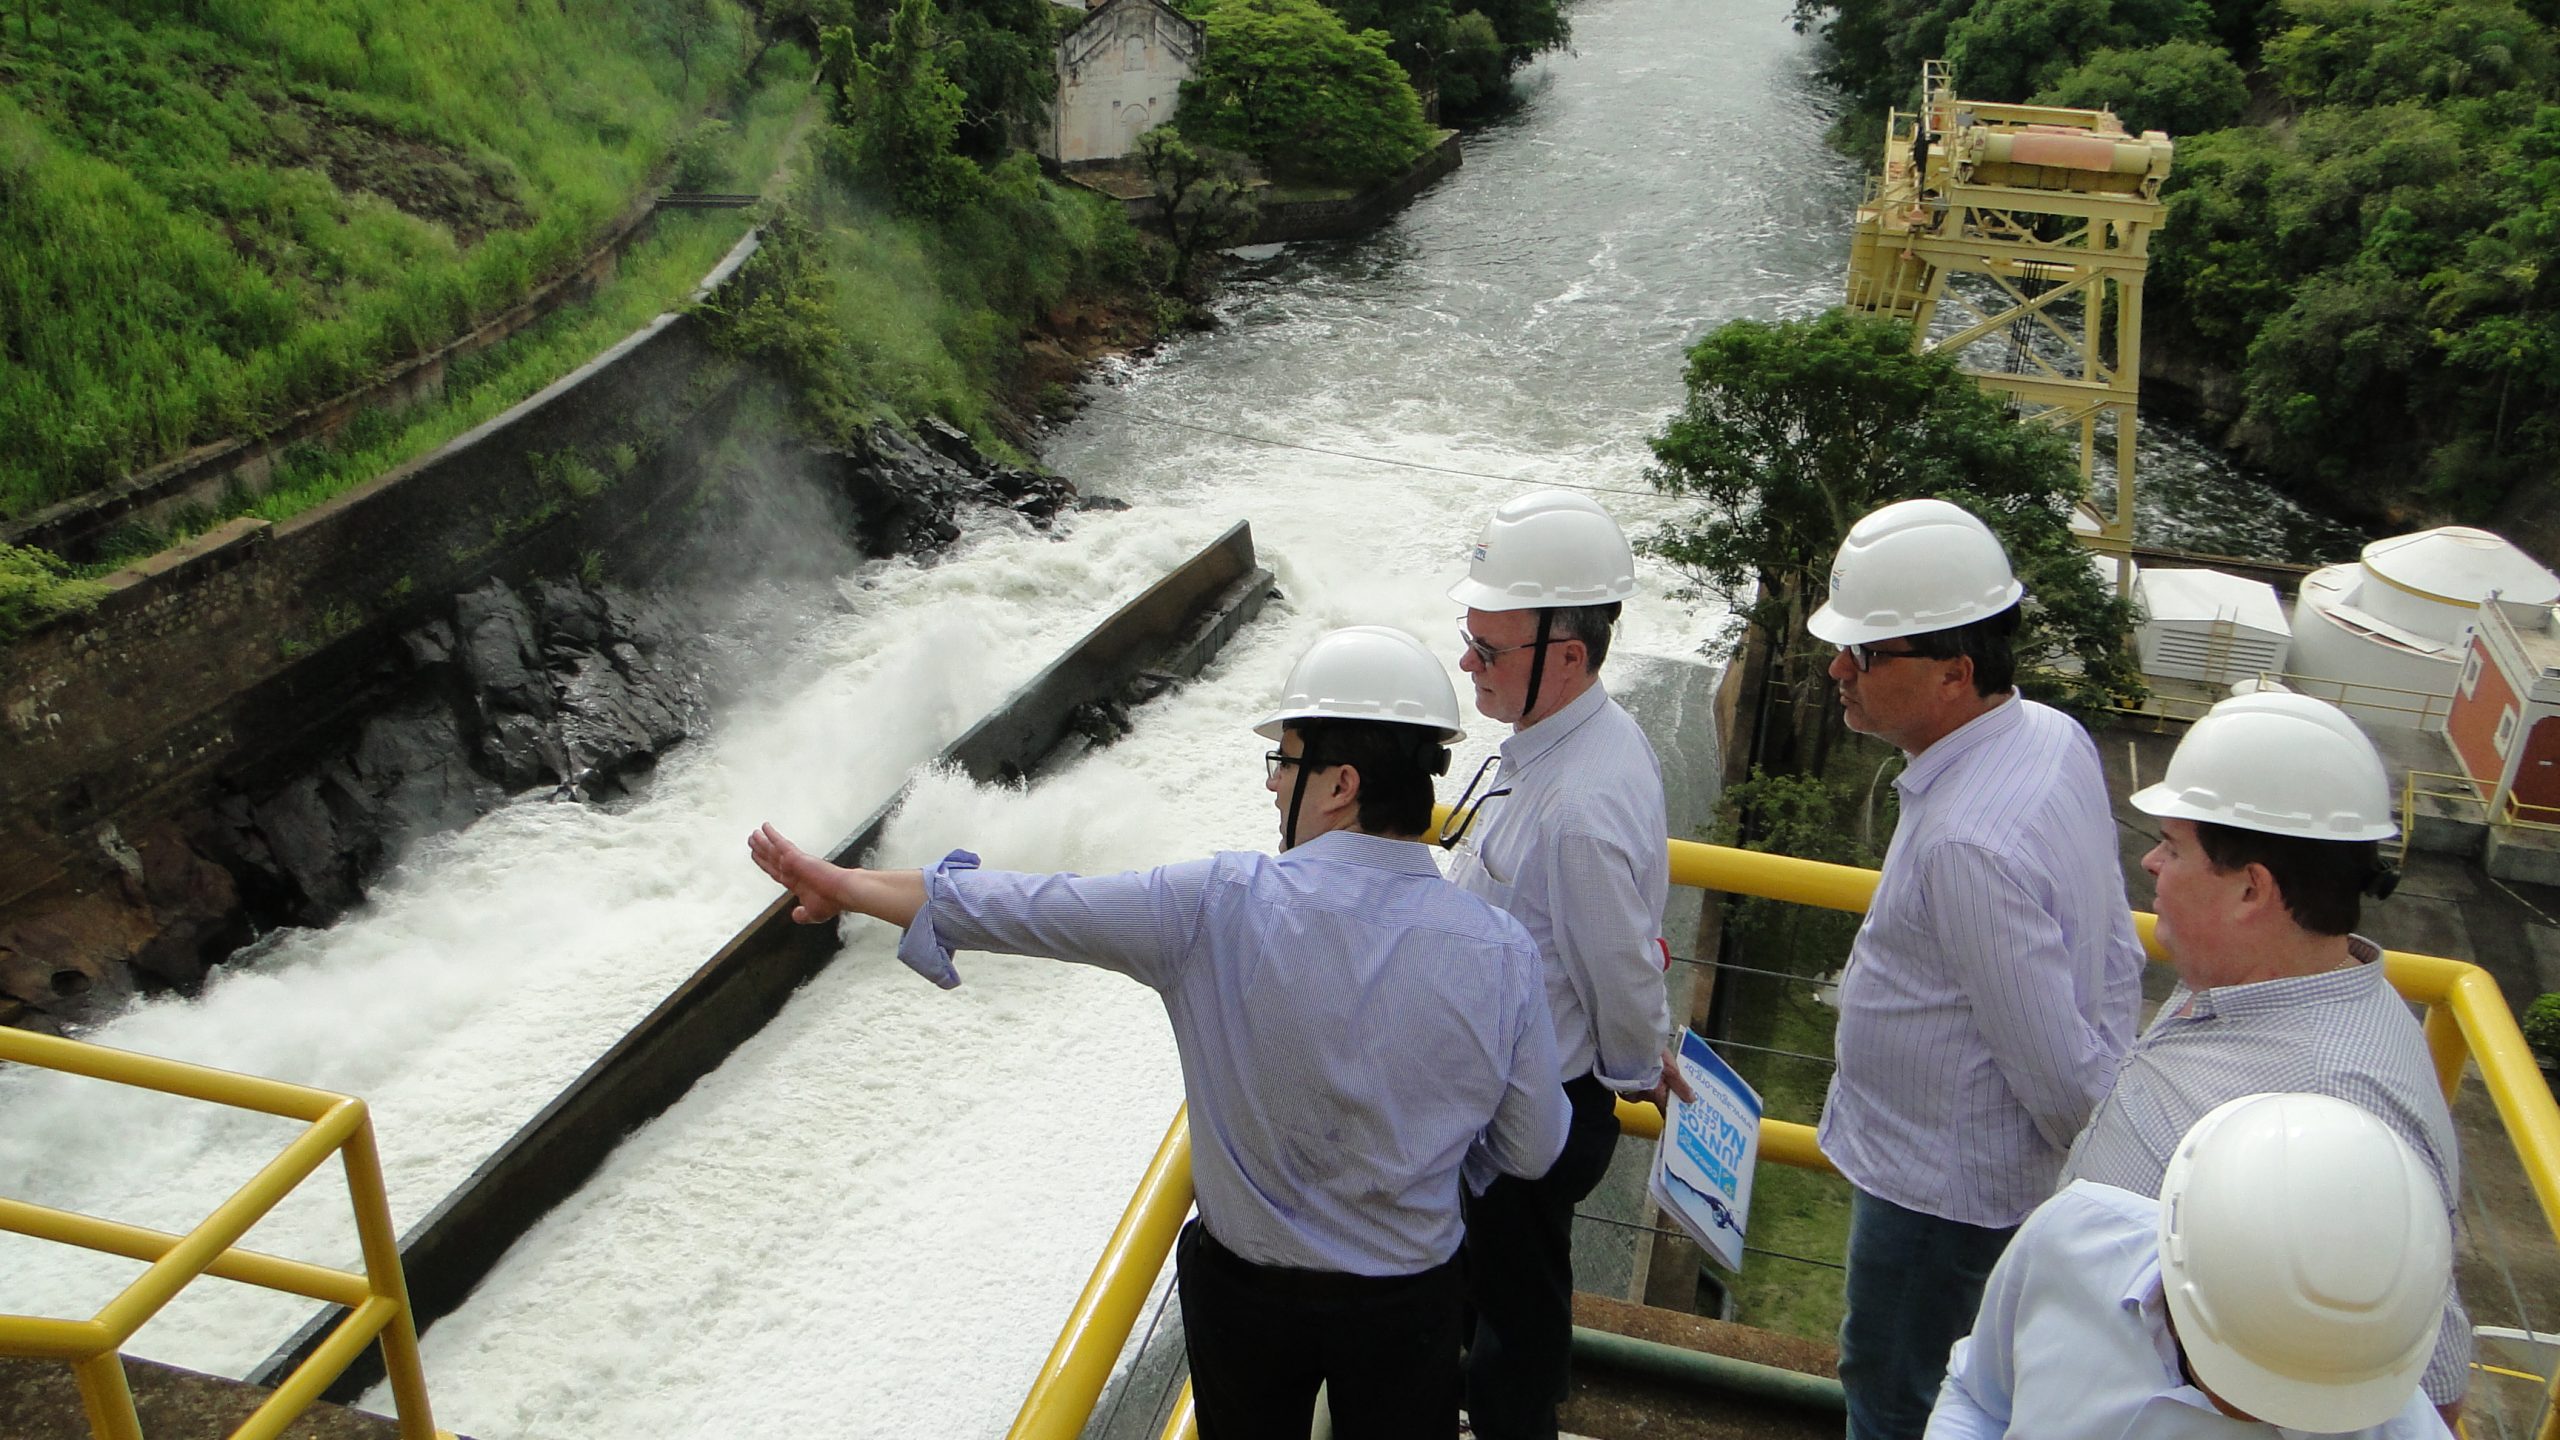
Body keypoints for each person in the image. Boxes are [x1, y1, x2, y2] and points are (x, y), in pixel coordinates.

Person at [748, 626, 1568, 1440]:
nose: (1274, 789)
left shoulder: (1215, 904)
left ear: (1340, 783)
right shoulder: (1501, 950)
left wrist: (847, 884)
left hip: (1248, 1302)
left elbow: (1027, 906)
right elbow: (1531, 1149)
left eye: (1284, 763)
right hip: (1408, 1301)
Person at [1807, 497, 2148, 1440]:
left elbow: (2055, 1070)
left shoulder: (1968, 840)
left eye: (1866, 655)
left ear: (1956, 672)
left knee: (1895, 1391)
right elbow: (2113, 952)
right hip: (1957, 1172)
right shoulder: (2048, 737)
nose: (1840, 669)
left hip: (1942, 1192)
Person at [2063, 689, 2472, 1419]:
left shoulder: (2341, 1102)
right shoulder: (2240, 986)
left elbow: (2428, 1390)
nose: (2151, 861)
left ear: (2253, 888)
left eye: (2174, 844)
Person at [1443, 490, 1685, 1440]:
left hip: (1538, 1105)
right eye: (1468, 639)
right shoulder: (1569, 746)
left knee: (1517, 1312)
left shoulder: (1578, 802)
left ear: (1569, 656)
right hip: (1513, 1087)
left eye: (1488, 650)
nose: (1468, 663)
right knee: (1497, 1287)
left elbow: (1621, 967)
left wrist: (1637, 1068)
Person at [1931, 1091, 2455, 1439]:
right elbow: (1979, 1396)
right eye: (2251, 1379)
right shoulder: (2068, 1241)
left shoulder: (2392, 1425)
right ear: (2182, 1284)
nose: (2266, 1409)